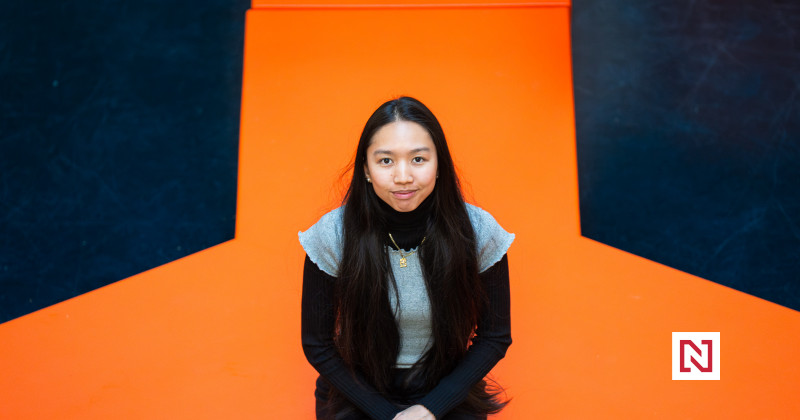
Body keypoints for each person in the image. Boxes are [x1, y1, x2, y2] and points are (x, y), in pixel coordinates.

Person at [299, 96, 514, 420]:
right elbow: (318, 345)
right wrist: (387, 414)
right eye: (386, 161)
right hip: (356, 389)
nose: (403, 176)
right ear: (366, 169)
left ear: (439, 165)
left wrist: (430, 408)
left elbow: (495, 337)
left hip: (447, 388)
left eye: (418, 159)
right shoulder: (332, 234)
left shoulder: (479, 231)